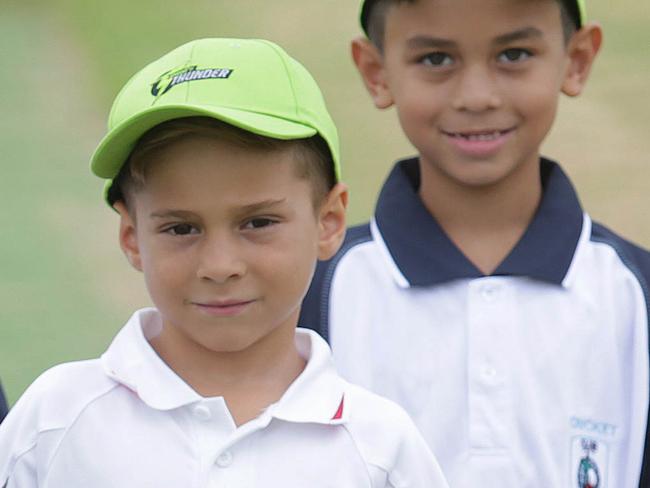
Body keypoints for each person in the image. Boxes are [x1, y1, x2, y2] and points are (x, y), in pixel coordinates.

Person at [0, 38, 449, 487]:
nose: (219, 265)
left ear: (328, 221)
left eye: (258, 222)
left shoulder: (378, 447)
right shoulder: (56, 420)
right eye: (181, 228)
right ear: (131, 237)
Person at [300, 1, 650, 486]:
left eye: (514, 54)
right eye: (436, 60)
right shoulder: (310, 292)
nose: (477, 96)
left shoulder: (635, 294)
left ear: (576, 60)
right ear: (376, 71)